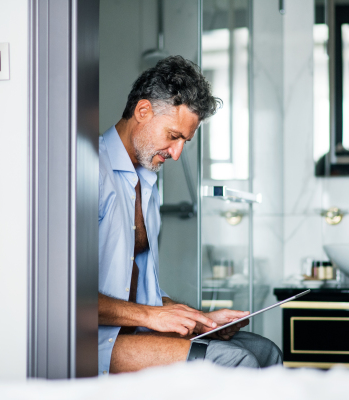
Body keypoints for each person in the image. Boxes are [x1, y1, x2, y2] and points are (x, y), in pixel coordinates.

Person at [98, 55, 282, 375]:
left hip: (136, 331)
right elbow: (62, 294)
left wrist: (199, 320)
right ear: (143, 111)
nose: (177, 153)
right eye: (173, 136)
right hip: (93, 339)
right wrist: (150, 317)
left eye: (185, 141)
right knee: (235, 361)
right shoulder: (90, 170)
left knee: (265, 350)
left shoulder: (146, 182)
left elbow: (143, 294)